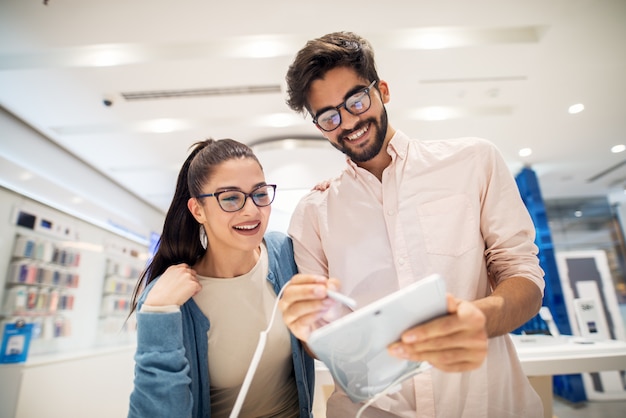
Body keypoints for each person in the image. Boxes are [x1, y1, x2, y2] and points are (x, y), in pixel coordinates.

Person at [278, 32, 545, 417]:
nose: (349, 122)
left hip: (486, 404)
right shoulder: (313, 212)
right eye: (329, 116)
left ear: (382, 90)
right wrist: (310, 329)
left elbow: (524, 277)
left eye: (356, 100)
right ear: (320, 126)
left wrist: (480, 318)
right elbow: (318, 342)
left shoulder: (474, 162)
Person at [127, 138, 315, 418]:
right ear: (197, 210)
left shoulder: (283, 254)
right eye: (230, 198)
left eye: (260, 194)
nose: (251, 210)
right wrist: (158, 313)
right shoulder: (168, 297)